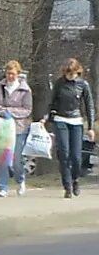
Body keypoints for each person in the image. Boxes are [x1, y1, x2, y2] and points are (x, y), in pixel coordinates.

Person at [47, 58, 96, 198]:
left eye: (71, 73)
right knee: (64, 153)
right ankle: (67, 185)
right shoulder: (59, 83)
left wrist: (91, 127)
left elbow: (89, 106)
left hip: (76, 121)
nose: (69, 76)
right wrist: (48, 118)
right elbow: (52, 102)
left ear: (77, 71)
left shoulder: (83, 84)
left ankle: (75, 179)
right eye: (67, 73)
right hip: (61, 120)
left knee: (76, 156)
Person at [0, 60, 33, 197]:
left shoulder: (25, 90)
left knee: (16, 159)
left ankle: (20, 179)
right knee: (3, 157)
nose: (10, 76)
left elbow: (27, 110)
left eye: (13, 74)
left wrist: (10, 111)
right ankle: (3, 186)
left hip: (18, 128)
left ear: (18, 74)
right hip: (2, 128)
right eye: (8, 74)